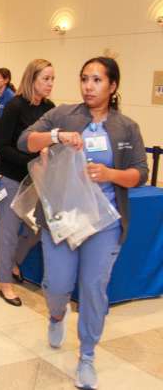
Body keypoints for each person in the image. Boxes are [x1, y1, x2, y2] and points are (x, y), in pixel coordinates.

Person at [18, 57, 148, 390]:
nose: (88, 86)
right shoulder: (63, 113)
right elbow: (25, 141)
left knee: (93, 290)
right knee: (58, 285)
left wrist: (110, 174)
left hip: (105, 223)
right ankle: (57, 314)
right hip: (64, 218)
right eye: (84, 79)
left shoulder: (126, 127)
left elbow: (139, 174)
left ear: (113, 86)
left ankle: (87, 356)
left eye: (97, 80)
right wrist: (56, 136)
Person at [0, 59, 55, 307]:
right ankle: (4, 282)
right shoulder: (15, 106)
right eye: (45, 79)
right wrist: (30, 159)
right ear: (32, 79)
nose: (50, 84)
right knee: (8, 232)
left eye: (52, 79)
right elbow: (2, 146)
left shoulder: (50, 108)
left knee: (37, 228)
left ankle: (14, 262)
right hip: (9, 176)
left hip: (36, 180)